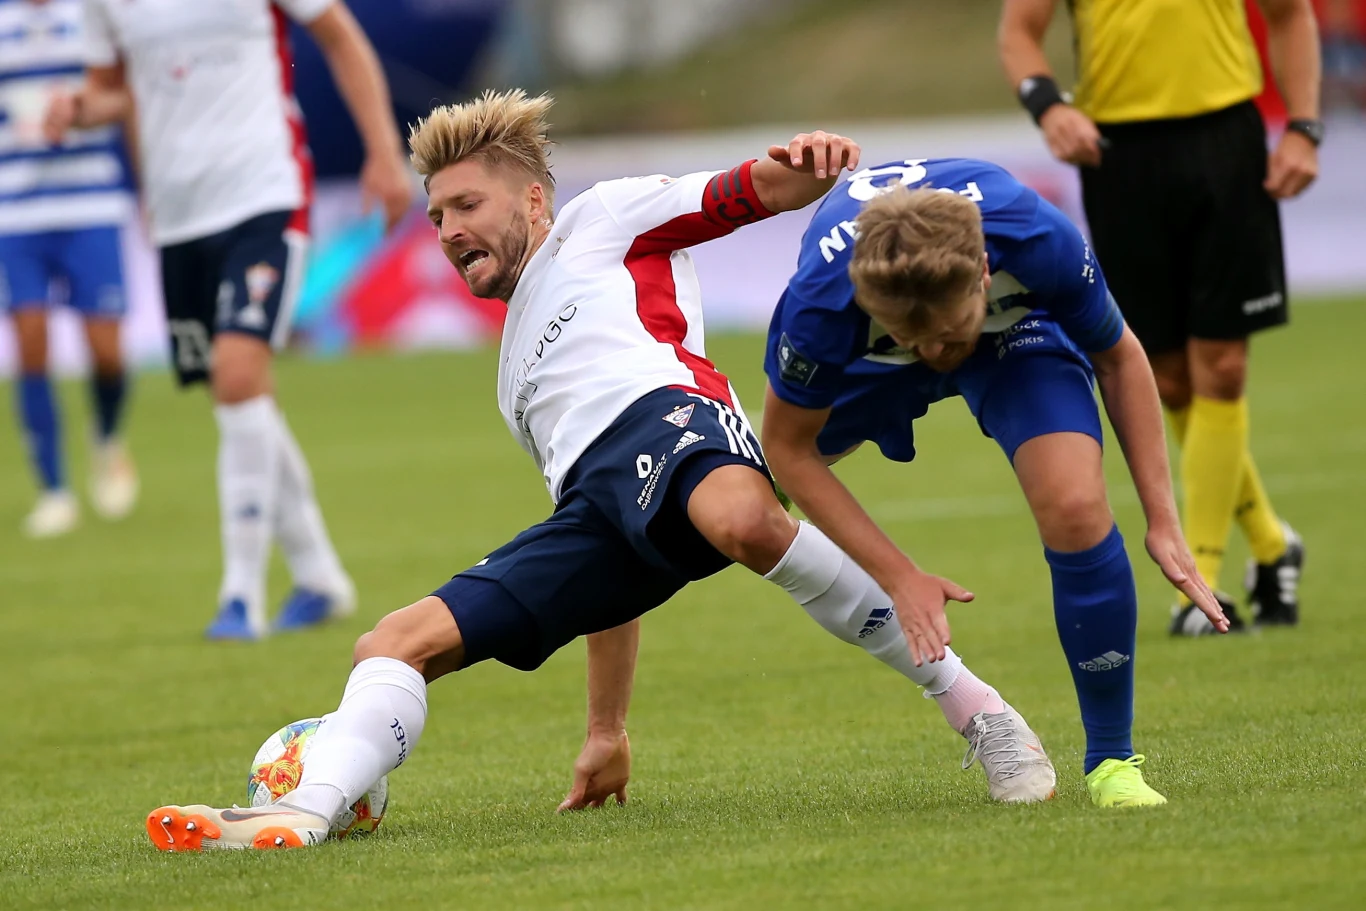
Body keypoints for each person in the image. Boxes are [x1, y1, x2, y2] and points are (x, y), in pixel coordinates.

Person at [144, 91, 1060, 852]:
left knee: (740, 518)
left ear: (535, 200)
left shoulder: (605, 219)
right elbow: (613, 565)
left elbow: (752, 189)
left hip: (677, 420)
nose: (448, 229)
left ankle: (980, 712)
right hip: (605, 502)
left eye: (467, 205)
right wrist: (606, 728)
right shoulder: (513, 382)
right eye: (435, 217)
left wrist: (811, 163)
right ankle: (304, 811)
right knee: (390, 641)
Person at [759, 158, 1229, 808]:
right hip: (871, 364)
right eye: (911, 336)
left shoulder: (1038, 237)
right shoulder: (823, 302)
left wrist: (1163, 519)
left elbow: (1118, 355)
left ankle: (1112, 761)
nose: (932, 351)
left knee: (1074, 504)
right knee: (744, 503)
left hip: (1009, 338)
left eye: (945, 332)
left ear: (983, 271)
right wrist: (900, 575)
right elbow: (788, 448)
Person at [43, 0, 414, 638]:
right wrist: (79, 107)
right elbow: (115, 92)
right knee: (239, 392)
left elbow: (340, 35)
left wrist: (384, 150)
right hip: (180, 215)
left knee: (237, 375)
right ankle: (319, 576)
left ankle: (239, 596)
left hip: (264, 193)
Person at [998, 0, 1321, 635]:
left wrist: (1305, 129)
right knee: (1167, 380)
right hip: (1118, 156)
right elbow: (1019, 32)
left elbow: (1291, 17)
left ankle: (1199, 585)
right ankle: (1271, 542)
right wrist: (1050, 105)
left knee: (1223, 367)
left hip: (1226, 139)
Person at [1, 0, 137, 538]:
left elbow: (127, 96)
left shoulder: (93, 18)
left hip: (92, 204)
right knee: (30, 341)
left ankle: (106, 437)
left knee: (106, 350)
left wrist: (148, 188)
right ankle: (54, 489)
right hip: (16, 210)